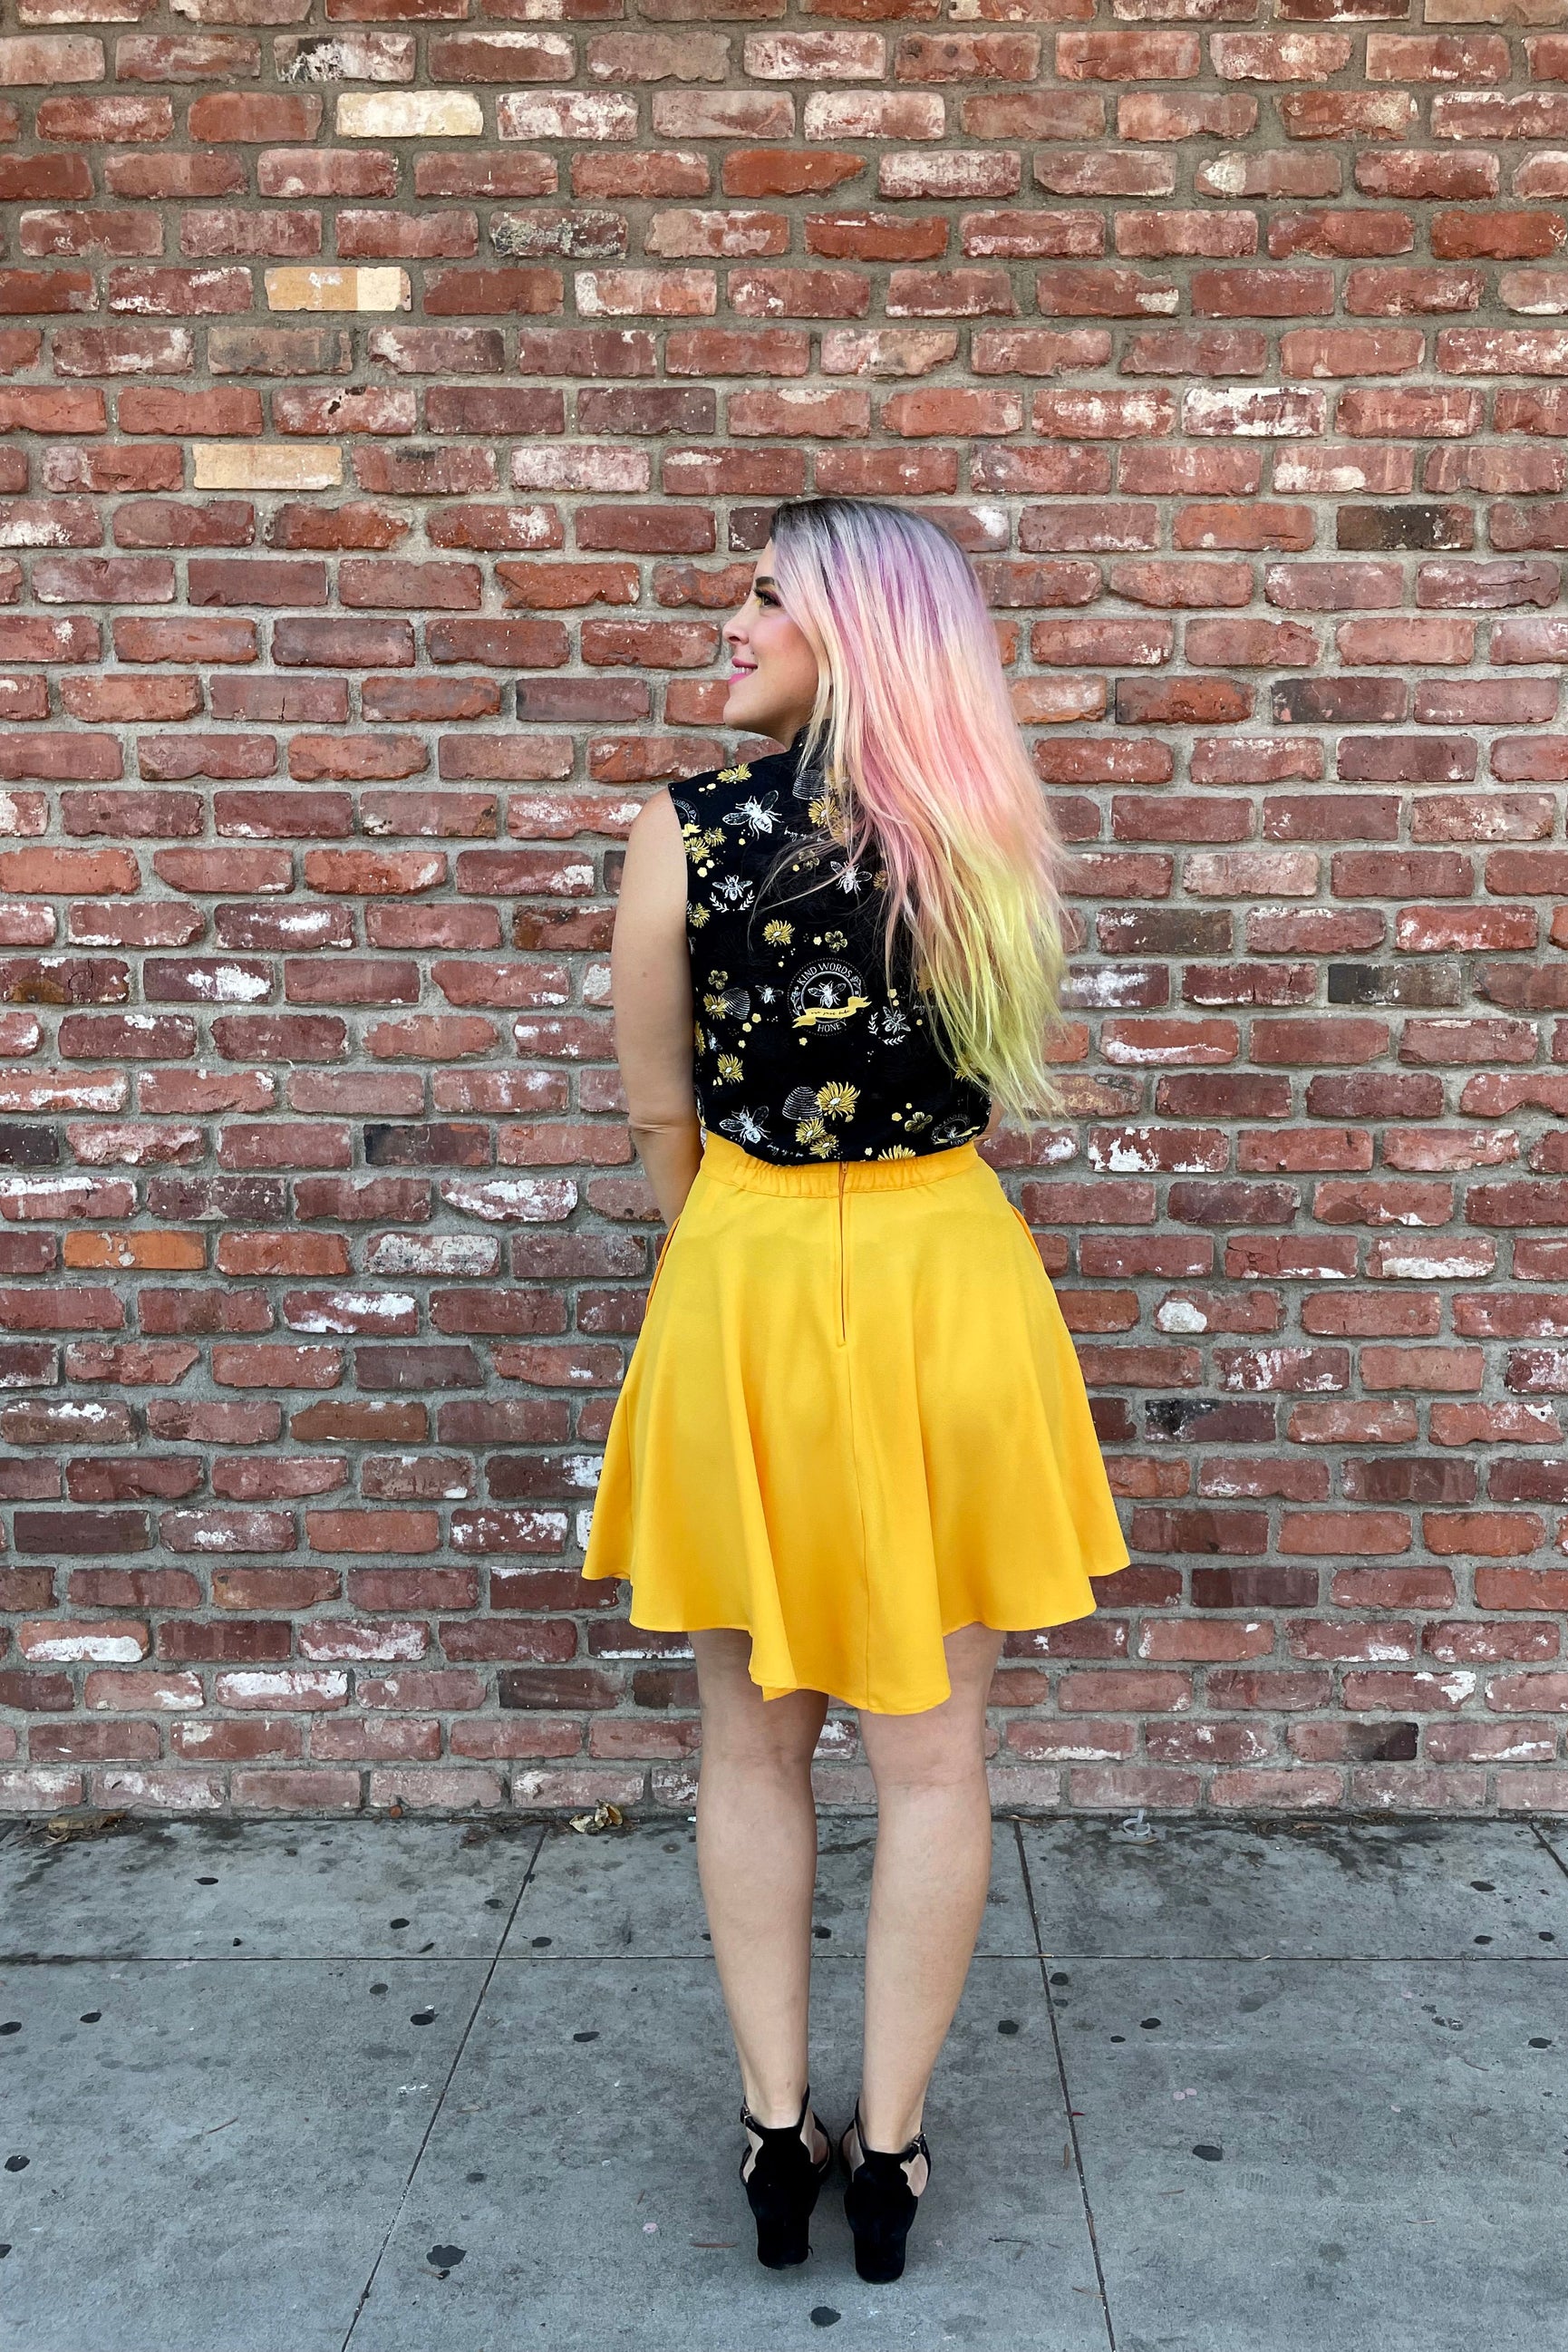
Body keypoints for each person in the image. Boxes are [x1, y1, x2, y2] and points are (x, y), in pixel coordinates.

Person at [580, 496, 1131, 2283]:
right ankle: (884, 2153)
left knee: (749, 1733)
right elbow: (997, 1094)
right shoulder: (990, 844)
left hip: (745, 1282)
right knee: (937, 1750)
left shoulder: (681, 836)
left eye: (763, 596)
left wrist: (734, 1260)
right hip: (948, 1289)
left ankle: (770, 2130)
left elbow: (662, 1118)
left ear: (849, 631)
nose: (728, 621)